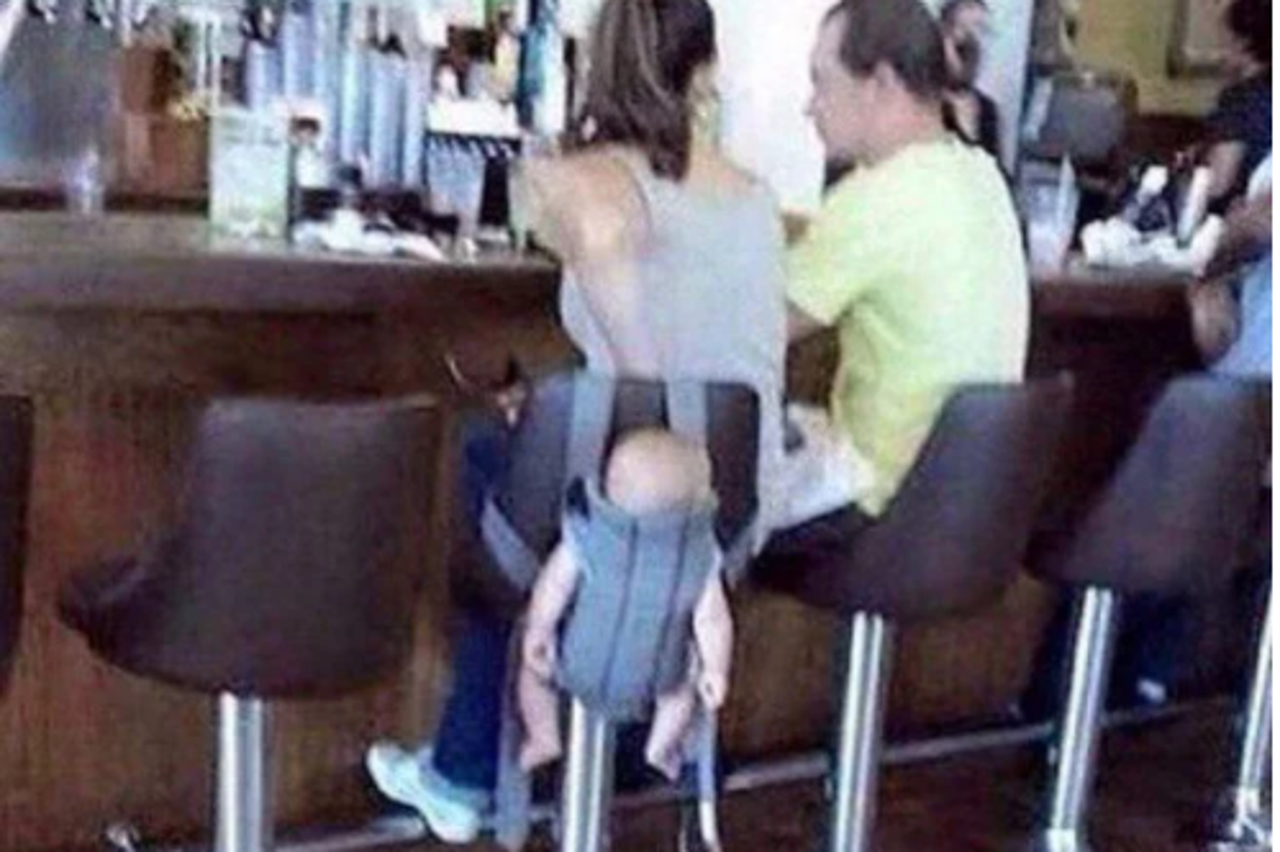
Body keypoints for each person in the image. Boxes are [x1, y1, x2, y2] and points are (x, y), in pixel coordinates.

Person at [363, 0, 788, 843]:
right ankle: (618, 755)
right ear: (706, 69)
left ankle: (465, 771)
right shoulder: (756, 196)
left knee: (491, 457)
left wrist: (626, 393)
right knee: (537, 447)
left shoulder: (576, 178)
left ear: (597, 61)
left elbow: (602, 243)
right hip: (737, 513)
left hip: (646, 512)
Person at [757, 0, 1029, 583]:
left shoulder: (877, 197)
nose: (810, 105)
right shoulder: (981, 176)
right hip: (974, 502)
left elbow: (751, 336)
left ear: (878, 83)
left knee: (686, 507)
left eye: (821, 81)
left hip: (886, 508)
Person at [518, 430, 731, 781]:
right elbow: (712, 621)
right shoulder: (699, 557)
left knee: (532, 674)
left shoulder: (590, 536)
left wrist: (538, 631)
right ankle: (659, 748)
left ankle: (543, 736)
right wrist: (715, 671)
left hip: (576, 663)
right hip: (658, 679)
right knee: (683, 691)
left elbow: (553, 585)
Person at [1204, 0, 1272, 211]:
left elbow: (1218, 184)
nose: (1218, 49)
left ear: (1242, 42)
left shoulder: (1239, 100)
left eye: (1223, 38)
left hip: (1241, 218)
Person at [939, 0, 1002, 160]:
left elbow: (994, 169)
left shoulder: (987, 110)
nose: (976, 44)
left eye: (983, 31)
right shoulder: (923, 105)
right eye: (964, 30)